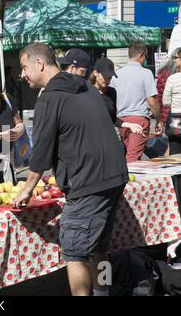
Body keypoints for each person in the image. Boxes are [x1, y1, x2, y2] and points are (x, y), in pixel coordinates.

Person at [14, 43, 128, 296]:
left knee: (74, 254)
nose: (22, 74)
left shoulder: (50, 98)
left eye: (24, 67)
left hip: (88, 182)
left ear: (39, 64)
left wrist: (27, 189)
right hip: (116, 175)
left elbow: (41, 151)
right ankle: (103, 291)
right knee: (100, 247)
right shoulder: (85, 85)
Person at [110, 42, 162, 163]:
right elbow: (152, 101)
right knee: (132, 159)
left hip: (121, 121)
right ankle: (128, 181)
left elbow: (111, 98)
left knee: (129, 153)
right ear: (141, 55)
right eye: (146, 57)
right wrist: (159, 120)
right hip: (139, 120)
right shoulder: (146, 73)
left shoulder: (116, 74)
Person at [89, 58, 144, 136]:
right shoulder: (86, 91)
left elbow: (113, 119)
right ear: (95, 73)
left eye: (110, 77)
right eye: (105, 76)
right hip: (89, 136)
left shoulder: (112, 92)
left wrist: (130, 125)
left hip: (106, 135)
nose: (108, 80)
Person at [163, 48, 181, 154]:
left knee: (175, 153)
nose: (174, 60)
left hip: (175, 119)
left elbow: (165, 101)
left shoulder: (172, 79)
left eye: (176, 58)